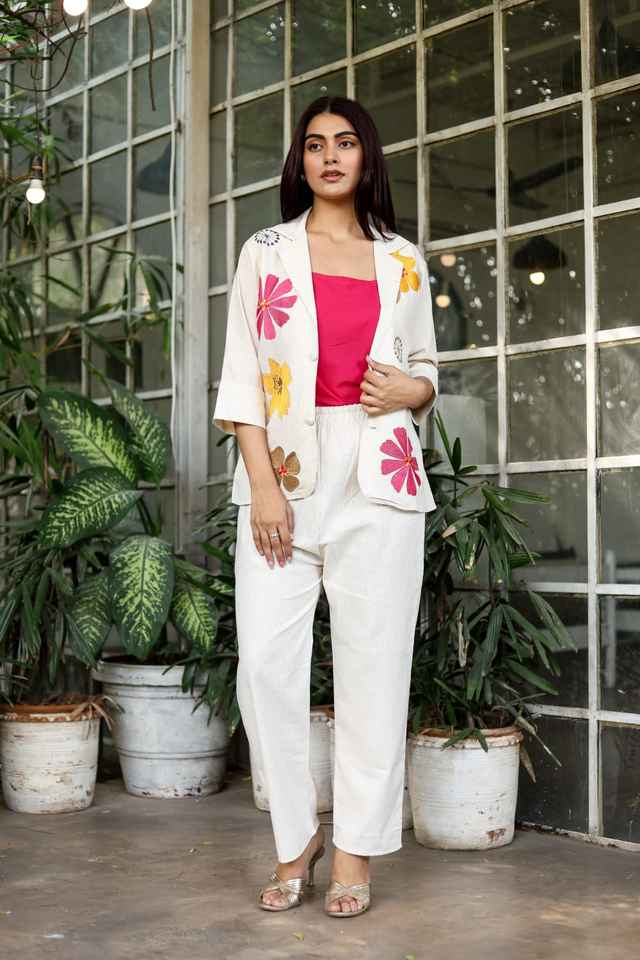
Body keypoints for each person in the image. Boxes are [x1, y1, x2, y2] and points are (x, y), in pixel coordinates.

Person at [212, 95, 439, 917]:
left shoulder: (403, 261)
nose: (330, 156)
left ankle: (354, 854)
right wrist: (263, 487)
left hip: (379, 472)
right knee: (265, 668)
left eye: (345, 143)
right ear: (300, 161)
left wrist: (415, 390)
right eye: (315, 145)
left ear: (366, 157)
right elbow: (242, 376)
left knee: (374, 670)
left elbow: (425, 370)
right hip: (284, 472)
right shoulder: (266, 252)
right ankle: (293, 838)